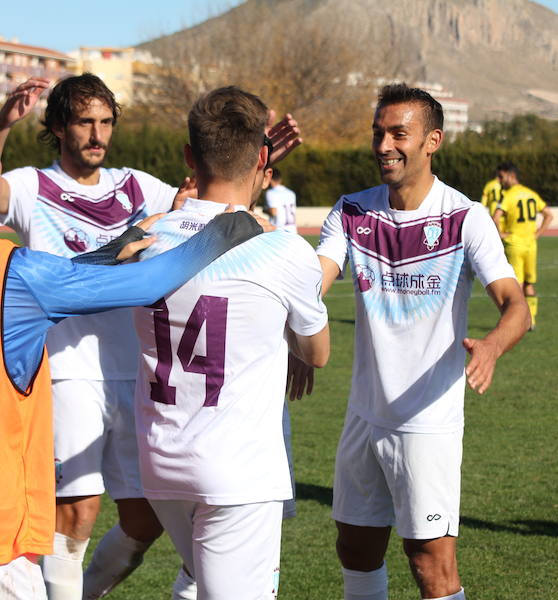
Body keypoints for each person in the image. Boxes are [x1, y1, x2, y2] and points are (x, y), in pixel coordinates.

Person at [0, 114, 264, 600]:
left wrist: (114, 247)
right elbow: (147, 283)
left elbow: (24, 287)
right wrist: (232, 226)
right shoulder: (12, 271)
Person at [0, 74, 301, 599]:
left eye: (106, 121)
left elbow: (209, 197)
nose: (97, 133)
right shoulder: (29, 186)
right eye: (85, 121)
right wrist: (0, 126)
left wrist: (257, 158)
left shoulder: (135, 185)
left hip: (138, 372)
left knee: (145, 520)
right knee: (78, 508)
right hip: (68, 368)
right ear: (58, 127)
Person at [313, 85, 529, 600]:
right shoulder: (351, 212)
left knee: (431, 566)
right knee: (356, 549)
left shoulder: (464, 218)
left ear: (433, 141)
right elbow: (313, 282)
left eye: (398, 133)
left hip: (427, 422)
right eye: (378, 132)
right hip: (364, 414)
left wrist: (494, 346)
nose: (384, 144)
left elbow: (515, 306)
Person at [130, 86, 330, 600]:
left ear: (189, 158)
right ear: (264, 159)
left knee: (198, 581)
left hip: (160, 460)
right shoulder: (281, 250)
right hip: (235, 468)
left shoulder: (144, 239)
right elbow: (317, 353)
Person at [492, 162, 553, 330]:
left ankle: (516, 322)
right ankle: (531, 319)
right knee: (529, 283)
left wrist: (500, 235)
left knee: (515, 286)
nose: (499, 181)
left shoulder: (508, 195)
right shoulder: (531, 194)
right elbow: (548, 215)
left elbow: (495, 217)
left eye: (501, 176)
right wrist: (537, 234)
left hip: (515, 245)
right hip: (531, 245)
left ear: (511, 175)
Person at [264, 167, 298, 233]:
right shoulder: (291, 193)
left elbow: (273, 212)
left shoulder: (270, 193)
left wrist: (264, 210)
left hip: (279, 232)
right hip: (293, 231)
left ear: (269, 178)